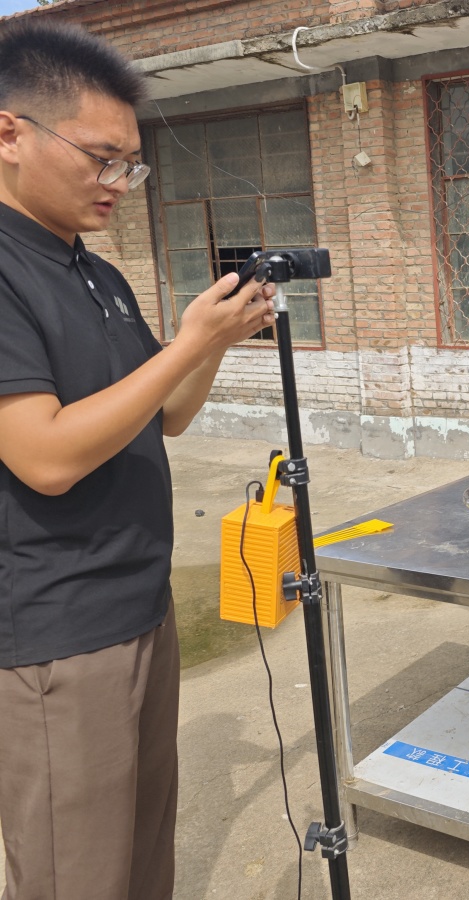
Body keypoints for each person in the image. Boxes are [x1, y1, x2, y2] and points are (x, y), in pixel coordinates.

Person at [0, 22, 276, 900]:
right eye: (101, 159)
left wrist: (216, 339)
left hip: (141, 607)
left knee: (142, 854)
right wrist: (187, 342)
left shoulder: (99, 274)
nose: (118, 183)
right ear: (9, 133)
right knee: (75, 873)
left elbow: (167, 415)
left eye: (131, 166)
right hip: (61, 632)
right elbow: (45, 457)